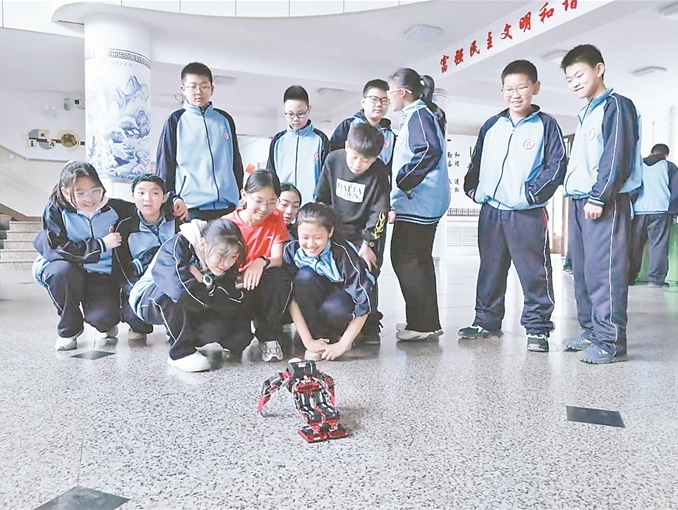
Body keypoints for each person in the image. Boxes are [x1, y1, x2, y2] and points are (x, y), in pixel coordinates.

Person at [460, 60, 566, 353]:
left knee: (534, 272)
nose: (515, 94)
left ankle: (538, 328)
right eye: (509, 89)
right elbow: (476, 162)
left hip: (526, 213)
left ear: (535, 88)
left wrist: (530, 196)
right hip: (492, 211)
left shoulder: (546, 125)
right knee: (490, 269)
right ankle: (486, 321)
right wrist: (474, 190)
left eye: (522, 87)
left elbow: (556, 166)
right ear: (502, 90)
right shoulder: (492, 125)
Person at [561, 44, 642, 364]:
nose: (574, 83)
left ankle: (611, 342)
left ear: (599, 69)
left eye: (579, 75)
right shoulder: (587, 112)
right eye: (569, 79)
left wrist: (599, 196)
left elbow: (616, 155)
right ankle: (592, 332)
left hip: (604, 201)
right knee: (581, 271)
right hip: (580, 201)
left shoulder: (616, 105)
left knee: (604, 273)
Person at [32, 161, 134, 351]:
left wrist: (174, 202)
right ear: (65, 192)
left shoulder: (115, 208)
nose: (89, 199)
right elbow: (57, 247)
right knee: (60, 273)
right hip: (67, 269)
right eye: (80, 193)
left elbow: (148, 208)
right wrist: (101, 245)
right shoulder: (55, 209)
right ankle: (69, 329)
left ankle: (102, 319)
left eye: (95, 190)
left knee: (104, 320)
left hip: (100, 274)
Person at [128, 218, 251, 372]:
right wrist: (207, 287)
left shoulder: (224, 250)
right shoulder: (177, 245)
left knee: (239, 338)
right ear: (203, 245)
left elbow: (232, 297)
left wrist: (204, 281)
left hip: (197, 301)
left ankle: (186, 334)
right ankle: (180, 353)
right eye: (221, 255)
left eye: (233, 257)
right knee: (175, 293)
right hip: (148, 298)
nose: (226, 264)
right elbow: (177, 289)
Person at [387, 68, 450, 341]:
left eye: (390, 91)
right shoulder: (419, 114)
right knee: (419, 261)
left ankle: (423, 325)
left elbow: (428, 150)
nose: (388, 97)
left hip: (418, 203)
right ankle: (424, 321)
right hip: (423, 203)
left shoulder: (418, 115)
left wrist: (403, 182)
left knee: (406, 260)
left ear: (403, 92)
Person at [315, 122, 390, 342]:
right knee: (335, 275)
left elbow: (380, 211)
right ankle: (336, 323)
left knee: (367, 274)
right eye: (355, 156)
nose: (358, 164)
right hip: (335, 230)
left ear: (375, 158)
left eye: (366, 160)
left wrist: (369, 244)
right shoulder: (333, 160)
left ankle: (370, 324)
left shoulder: (379, 171)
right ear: (347, 146)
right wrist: (325, 232)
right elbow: (322, 199)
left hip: (365, 233)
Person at [283, 203, 375, 361]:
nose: (310, 244)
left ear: (330, 232)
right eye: (305, 237)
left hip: (341, 297)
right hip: (315, 292)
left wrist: (343, 345)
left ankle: (340, 336)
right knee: (304, 277)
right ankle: (317, 336)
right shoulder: (291, 250)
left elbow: (363, 301)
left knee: (335, 308)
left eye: (317, 238)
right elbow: (290, 297)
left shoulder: (343, 253)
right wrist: (308, 341)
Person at [156, 62, 244, 221]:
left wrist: (238, 193)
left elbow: (235, 161)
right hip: (191, 208)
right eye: (192, 87)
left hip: (227, 207)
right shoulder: (175, 120)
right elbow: (165, 164)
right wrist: (172, 197)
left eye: (204, 86)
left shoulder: (225, 119)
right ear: (183, 89)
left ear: (212, 89)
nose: (198, 92)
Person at [224, 170, 292, 362]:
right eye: (259, 200)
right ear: (244, 195)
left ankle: (268, 336)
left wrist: (261, 261)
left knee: (279, 277)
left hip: (263, 283)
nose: (264, 208)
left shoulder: (276, 217)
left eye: (272, 202)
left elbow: (277, 258)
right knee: (236, 343)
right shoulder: (228, 224)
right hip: (237, 287)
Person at [114, 174, 180, 340]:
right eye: (141, 193)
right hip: (141, 284)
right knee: (138, 324)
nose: (147, 199)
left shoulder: (177, 222)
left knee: (178, 314)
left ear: (164, 198)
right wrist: (138, 292)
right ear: (133, 196)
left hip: (172, 282)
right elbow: (121, 268)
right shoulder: (125, 227)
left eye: (155, 193)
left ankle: (176, 325)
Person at [267, 85, 329, 206]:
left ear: (309, 110)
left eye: (301, 114)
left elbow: (326, 179)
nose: (295, 119)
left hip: (310, 209)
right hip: (282, 209)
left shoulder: (320, 140)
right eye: (290, 114)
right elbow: (270, 176)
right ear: (284, 110)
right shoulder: (278, 141)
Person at [629, 143, 678, 287]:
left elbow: (632, 187)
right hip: (661, 211)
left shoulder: (638, 165)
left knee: (634, 246)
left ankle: (628, 277)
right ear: (666, 155)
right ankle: (655, 280)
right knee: (658, 246)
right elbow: (676, 191)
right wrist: (674, 212)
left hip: (638, 211)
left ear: (651, 152)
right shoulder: (670, 167)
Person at [329, 79, 396, 173]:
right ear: (363, 102)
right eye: (374, 99)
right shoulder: (348, 126)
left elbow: (390, 168)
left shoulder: (390, 136)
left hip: (376, 181)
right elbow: (333, 158)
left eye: (384, 100)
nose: (379, 104)